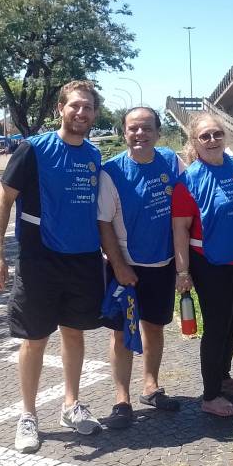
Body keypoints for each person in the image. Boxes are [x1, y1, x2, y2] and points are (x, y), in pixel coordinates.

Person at [0, 80, 105, 453]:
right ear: (60, 109)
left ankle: (71, 405)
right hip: (40, 259)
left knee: (74, 333)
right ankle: (28, 415)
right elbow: (3, 200)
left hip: (83, 259)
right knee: (35, 338)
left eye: (88, 107)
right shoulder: (33, 149)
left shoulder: (94, 155)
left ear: (94, 114)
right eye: (75, 106)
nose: (81, 112)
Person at [97, 107, 184, 430]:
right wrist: (119, 266)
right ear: (124, 133)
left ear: (158, 133)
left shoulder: (171, 161)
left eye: (147, 128)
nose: (140, 134)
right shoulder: (111, 172)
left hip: (162, 263)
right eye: (133, 128)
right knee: (121, 333)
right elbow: (103, 223)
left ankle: (151, 386)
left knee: (154, 327)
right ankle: (122, 400)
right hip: (126, 267)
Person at [172, 113, 233, 417]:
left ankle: (223, 377)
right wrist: (183, 272)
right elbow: (180, 229)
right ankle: (210, 396)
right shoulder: (189, 181)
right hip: (211, 263)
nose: (212, 140)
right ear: (194, 142)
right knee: (217, 327)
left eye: (217, 134)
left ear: (225, 137)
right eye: (205, 136)